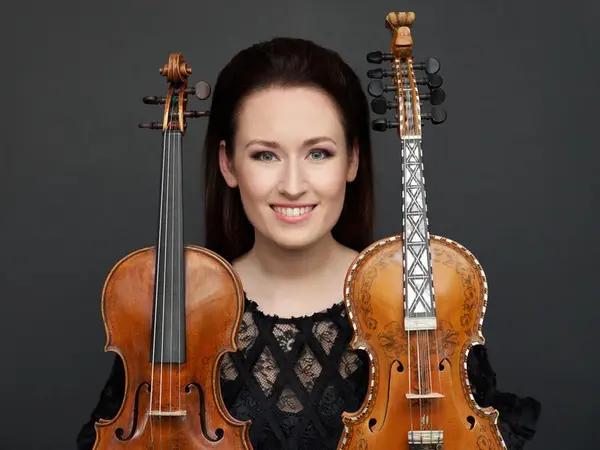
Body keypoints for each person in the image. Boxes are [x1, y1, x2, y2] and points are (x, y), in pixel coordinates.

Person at [76, 37, 540, 450]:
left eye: (319, 153)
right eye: (265, 155)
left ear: (352, 160)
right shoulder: (179, 311)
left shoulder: (413, 301)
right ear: (229, 165)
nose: (293, 185)